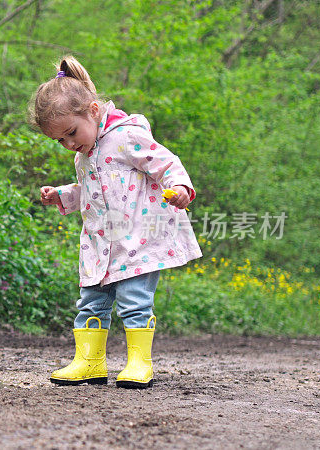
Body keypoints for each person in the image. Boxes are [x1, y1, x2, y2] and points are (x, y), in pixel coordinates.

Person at [29, 55, 202, 388]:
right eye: (59, 140)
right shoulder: (84, 154)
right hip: (100, 243)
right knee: (91, 300)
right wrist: (63, 195)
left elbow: (166, 163)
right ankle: (90, 362)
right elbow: (92, 191)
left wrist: (179, 186)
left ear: (93, 111)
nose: (68, 144)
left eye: (71, 133)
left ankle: (139, 363)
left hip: (137, 239)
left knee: (135, 300)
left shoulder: (127, 137)